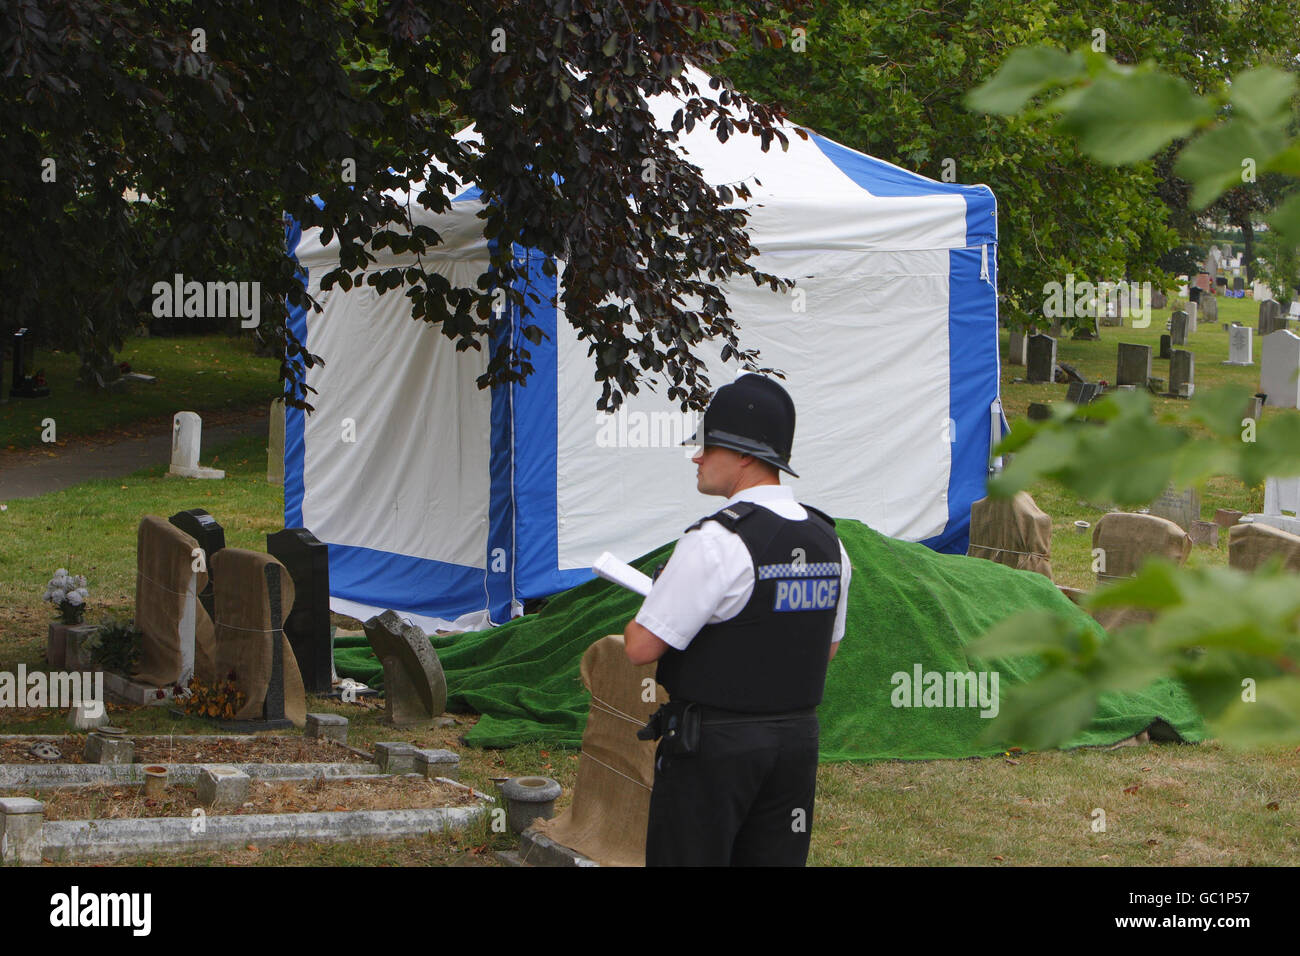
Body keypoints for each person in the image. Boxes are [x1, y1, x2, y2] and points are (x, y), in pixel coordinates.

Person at [623, 374, 851, 866]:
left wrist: (661, 599)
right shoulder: (829, 542)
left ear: (746, 456)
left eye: (709, 446)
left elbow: (640, 647)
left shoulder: (716, 540)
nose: (697, 457)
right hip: (795, 745)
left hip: (714, 747)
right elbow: (825, 647)